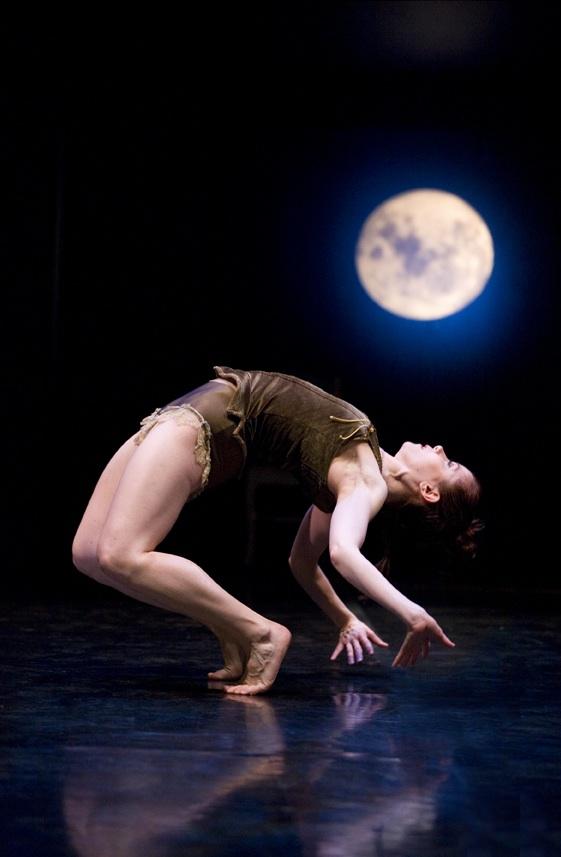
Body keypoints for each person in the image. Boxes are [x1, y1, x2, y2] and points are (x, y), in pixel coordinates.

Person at [72, 365, 482, 696]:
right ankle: (227, 625)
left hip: (205, 425)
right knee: (89, 554)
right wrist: (344, 619)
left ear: (429, 492)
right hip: (187, 411)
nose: (442, 451)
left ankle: (260, 633)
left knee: (120, 554)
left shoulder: (365, 481)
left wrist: (412, 613)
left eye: (450, 466)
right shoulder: (352, 474)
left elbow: (342, 552)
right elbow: (302, 561)